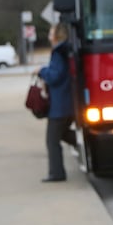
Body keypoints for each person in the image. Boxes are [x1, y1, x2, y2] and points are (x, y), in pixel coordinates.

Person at [38, 23, 76, 182]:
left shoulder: (58, 52)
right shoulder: (66, 51)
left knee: (52, 140)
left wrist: (41, 71)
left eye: (51, 32)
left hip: (60, 104)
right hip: (68, 101)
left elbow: (55, 76)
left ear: (57, 35)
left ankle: (57, 172)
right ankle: (88, 146)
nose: (49, 34)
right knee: (65, 134)